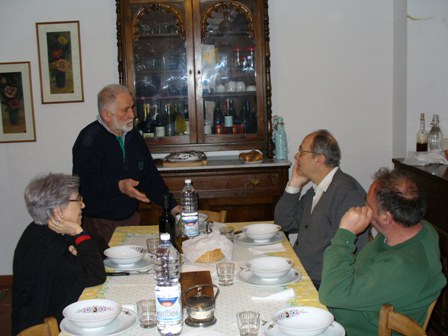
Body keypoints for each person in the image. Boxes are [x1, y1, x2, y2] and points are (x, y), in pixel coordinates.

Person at [319, 168, 447, 335]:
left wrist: (345, 234)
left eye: (368, 204)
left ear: (387, 218)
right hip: (348, 301)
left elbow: (330, 293)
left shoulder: (401, 268)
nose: (363, 207)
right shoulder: (419, 228)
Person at [73, 84, 181, 243]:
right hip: (98, 224)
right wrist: (119, 186)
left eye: (132, 108)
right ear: (107, 115)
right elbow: (86, 183)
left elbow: (150, 176)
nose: (133, 115)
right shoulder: (89, 139)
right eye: (126, 110)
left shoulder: (133, 136)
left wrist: (173, 207)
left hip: (129, 220)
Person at [12, 173, 106, 335]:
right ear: (58, 210)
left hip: (58, 315)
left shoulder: (55, 230)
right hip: (44, 329)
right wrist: (79, 233)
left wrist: (79, 237)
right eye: (78, 199)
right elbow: (95, 275)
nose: (83, 205)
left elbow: (102, 250)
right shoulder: (45, 245)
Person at [274, 129, 369, 288]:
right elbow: (284, 223)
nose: (296, 157)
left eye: (301, 151)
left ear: (319, 159)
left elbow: (355, 251)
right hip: (302, 274)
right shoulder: (316, 189)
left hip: (321, 284)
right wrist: (294, 184)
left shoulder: (347, 194)